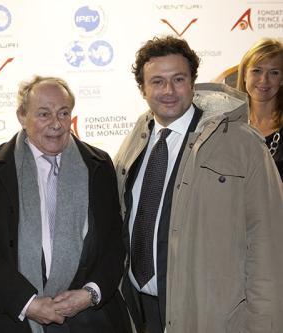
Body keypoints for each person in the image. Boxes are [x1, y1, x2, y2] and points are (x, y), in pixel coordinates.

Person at [113, 35, 283, 333]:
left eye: (178, 79)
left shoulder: (243, 145)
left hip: (206, 316)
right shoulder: (137, 137)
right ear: (142, 89)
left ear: (193, 82)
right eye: (157, 81)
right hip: (138, 312)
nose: (168, 90)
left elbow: (269, 246)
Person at [0, 76, 131, 333]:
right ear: (22, 116)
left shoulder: (98, 165)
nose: (56, 124)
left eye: (63, 113)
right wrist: (27, 303)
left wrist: (90, 293)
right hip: (15, 319)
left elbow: (114, 243)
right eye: (43, 114)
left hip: (90, 321)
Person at [237, 38, 283, 180]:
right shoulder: (226, 125)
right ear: (245, 75)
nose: (264, 80)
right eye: (256, 71)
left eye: (274, 72)